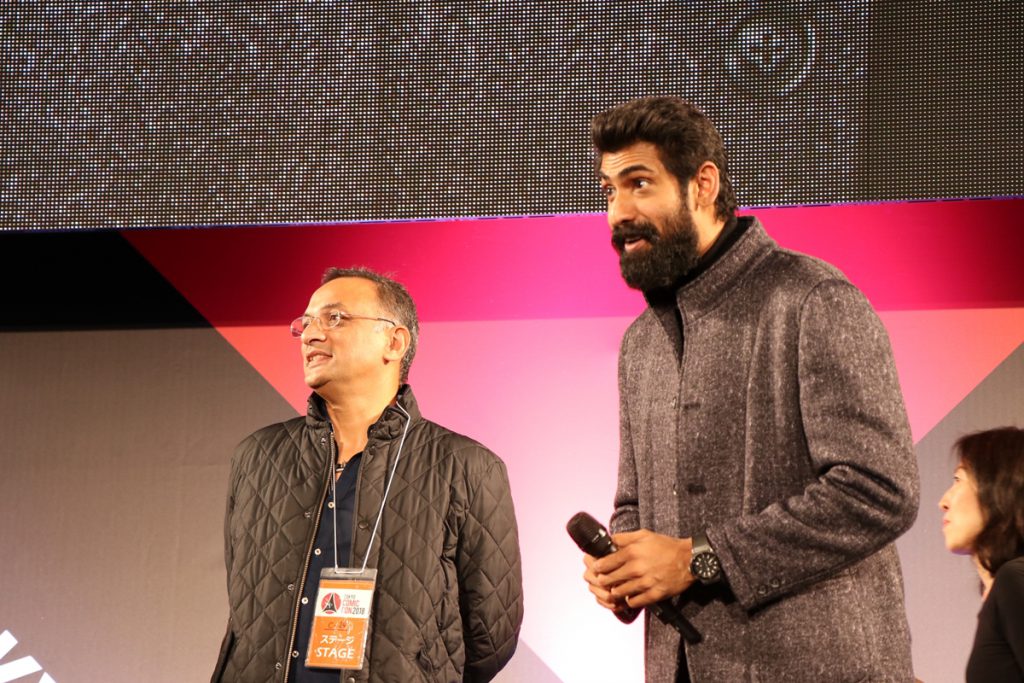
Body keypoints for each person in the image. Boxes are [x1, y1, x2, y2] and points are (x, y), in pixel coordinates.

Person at [579, 97, 921, 681]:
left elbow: (880, 489)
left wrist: (697, 559)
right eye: (609, 191)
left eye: (640, 184)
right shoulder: (640, 343)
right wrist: (628, 565)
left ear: (703, 185)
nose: (618, 212)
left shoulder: (813, 298)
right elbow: (633, 503)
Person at [212, 267, 523, 683]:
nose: (310, 335)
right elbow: (245, 604)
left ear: (394, 342)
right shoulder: (257, 458)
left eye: (335, 318)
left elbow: (489, 636)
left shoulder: (467, 467)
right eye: (306, 323)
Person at [939, 427, 1024, 682]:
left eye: (958, 480)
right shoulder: (1007, 585)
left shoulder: (1015, 578)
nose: (943, 502)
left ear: (999, 488)